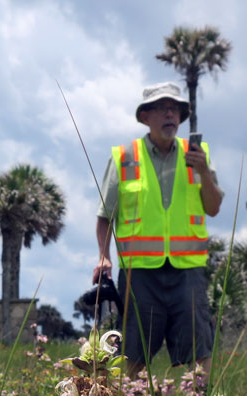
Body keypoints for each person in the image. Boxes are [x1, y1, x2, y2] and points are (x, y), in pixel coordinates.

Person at [93, 82, 224, 377]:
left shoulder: (197, 154)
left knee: (199, 348)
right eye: (162, 108)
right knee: (134, 353)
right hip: (139, 273)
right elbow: (105, 216)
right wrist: (104, 257)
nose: (170, 114)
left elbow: (214, 207)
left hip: (187, 271)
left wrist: (204, 171)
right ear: (145, 116)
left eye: (175, 109)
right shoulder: (125, 157)